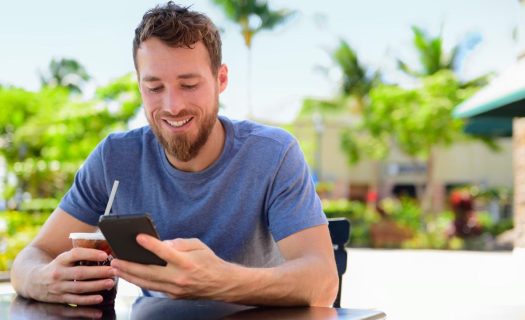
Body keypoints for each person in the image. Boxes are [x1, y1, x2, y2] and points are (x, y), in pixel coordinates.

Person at [11, 2, 338, 307]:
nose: (172, 106)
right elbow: (32, 256)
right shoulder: (115, 158)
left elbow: (323, 282)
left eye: (189, 84)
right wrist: (43, 279)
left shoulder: (273, 154)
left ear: (220, 79)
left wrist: (220, 281)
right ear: (140, 86)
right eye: (154, 88)